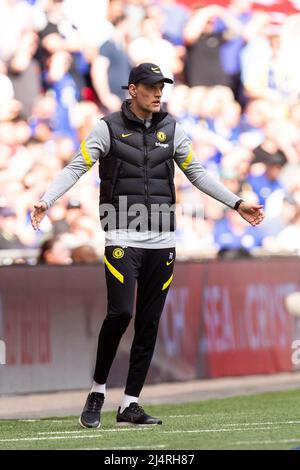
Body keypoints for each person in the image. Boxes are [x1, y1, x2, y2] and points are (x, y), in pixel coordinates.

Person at [30, 62, 264, 428]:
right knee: (121, 313)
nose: (159, 93)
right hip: (123, 235)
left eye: (162, 87)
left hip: (163, 239)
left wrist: (236, 203)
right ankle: (97, 390)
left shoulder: (172, 130)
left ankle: (130, 404)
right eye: (152, 86)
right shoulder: (107, 129)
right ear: (132, 89)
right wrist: (47, 199)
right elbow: (77, 166)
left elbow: (197, 173)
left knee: (150, 321)